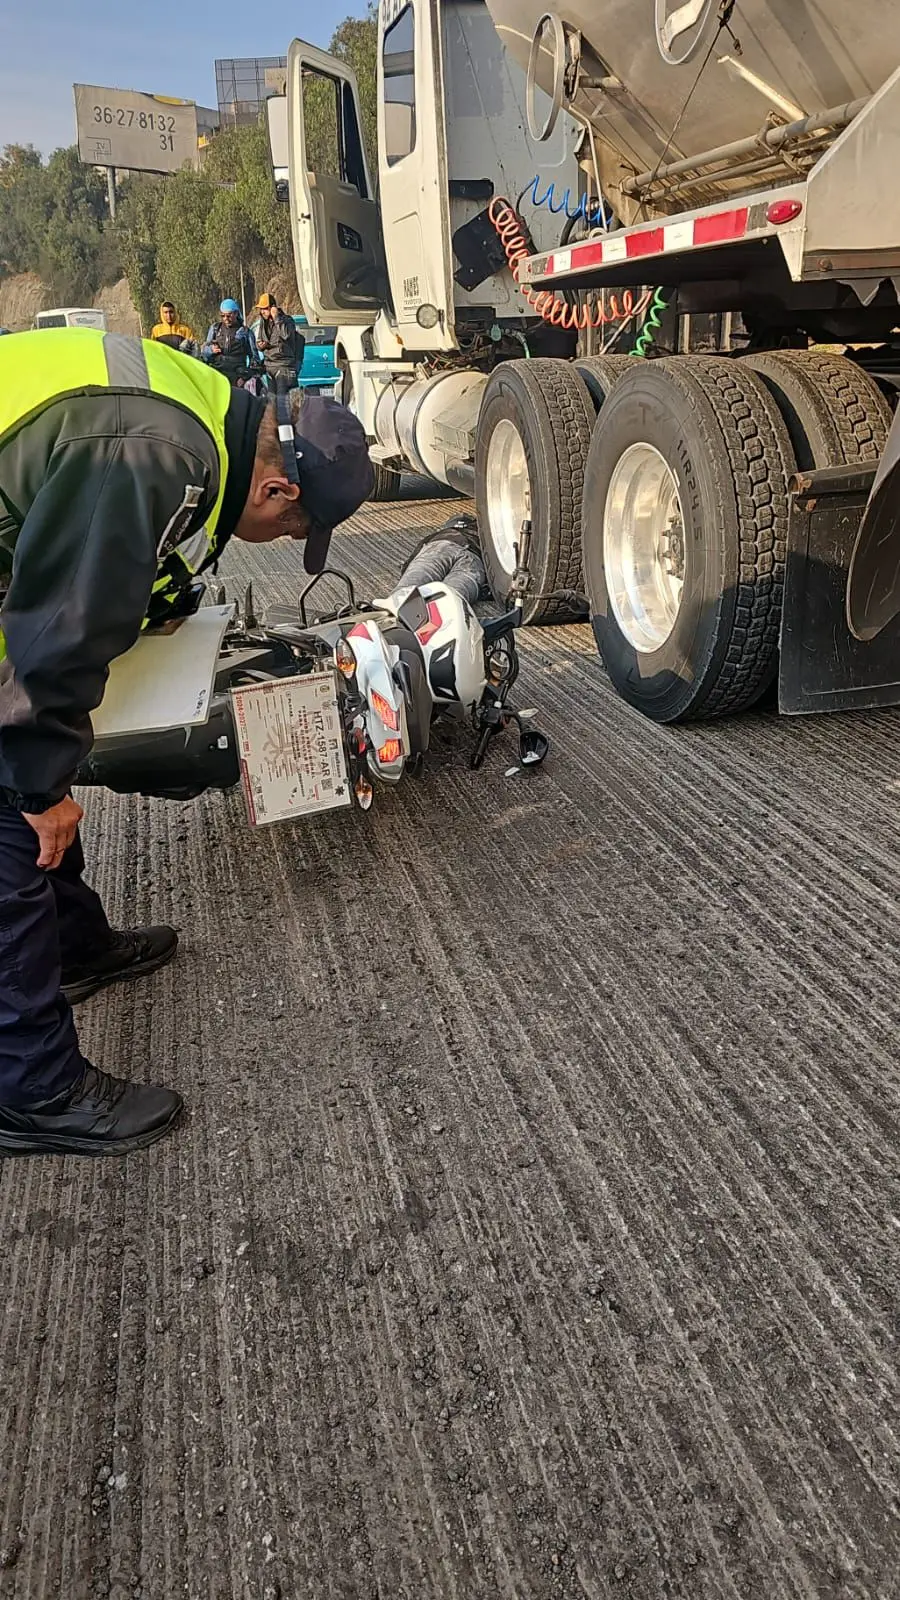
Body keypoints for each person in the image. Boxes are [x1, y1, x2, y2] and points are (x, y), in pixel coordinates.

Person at [0, 327, 374, 1157]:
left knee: (35, 773)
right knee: (12, 815)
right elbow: (58, 630)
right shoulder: (155, 451)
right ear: (276, 490)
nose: (287, 542)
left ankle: (73, 950)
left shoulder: (203, 414)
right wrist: (37, 789)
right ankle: (32, 1091)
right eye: (295, 530)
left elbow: (112, 541)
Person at [202, 298, 259, 385]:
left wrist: (244, 378)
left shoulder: (246, 333)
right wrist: (210, 350)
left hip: (237, 378)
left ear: (236, 313)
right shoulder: (215, 329)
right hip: (217, 375)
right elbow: (204, 354)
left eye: (229, 316)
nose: (226, 319)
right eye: (223, 316)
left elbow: (254, 359)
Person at [255, 293, 304, 394]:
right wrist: (260, 346)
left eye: (265, 308)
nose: (262, 312)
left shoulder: (287, 320)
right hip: (269, 367)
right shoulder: (263, 322)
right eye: (261, 309)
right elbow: (259, 340)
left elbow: (286, 335)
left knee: (282, 401)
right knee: (272, 401)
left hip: (284, 367)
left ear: (273, 308)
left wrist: (276, 318)